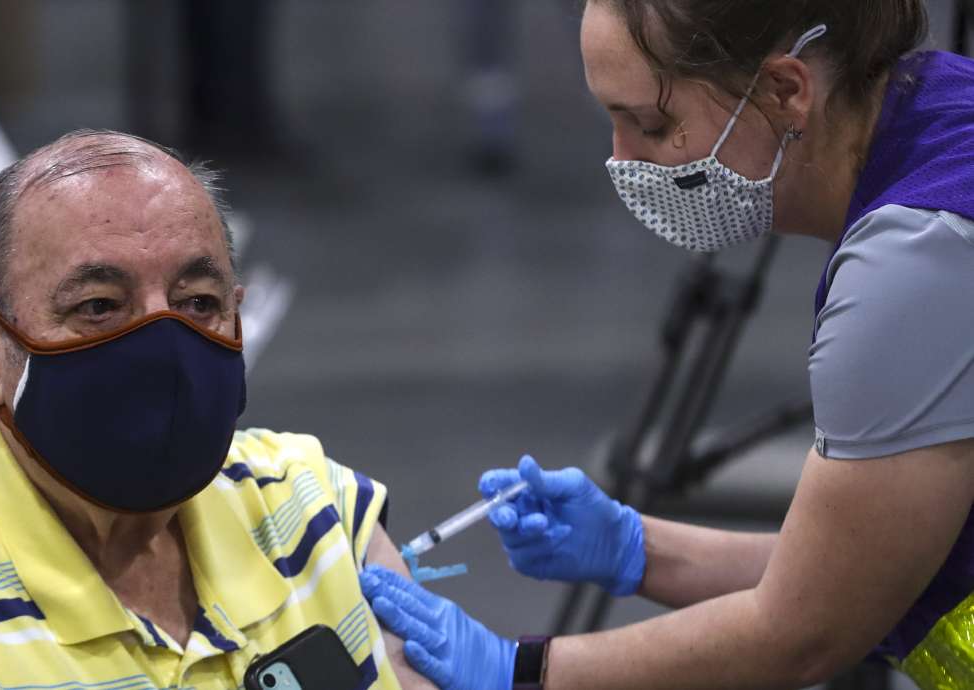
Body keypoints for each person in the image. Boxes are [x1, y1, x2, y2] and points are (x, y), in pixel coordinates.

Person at [360, 1, 974, 689]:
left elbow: (807, 631)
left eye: (652, 123)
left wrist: (522, 671)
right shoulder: (941, 107)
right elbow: (860, 566)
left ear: (785, 91)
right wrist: (635, 548)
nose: (622, 161)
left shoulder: (919, 261)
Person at [0, 130, 434, 690]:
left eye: (199, 302)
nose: (164, 348)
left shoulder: (308, 506)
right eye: (99, 307)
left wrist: (538, 666)